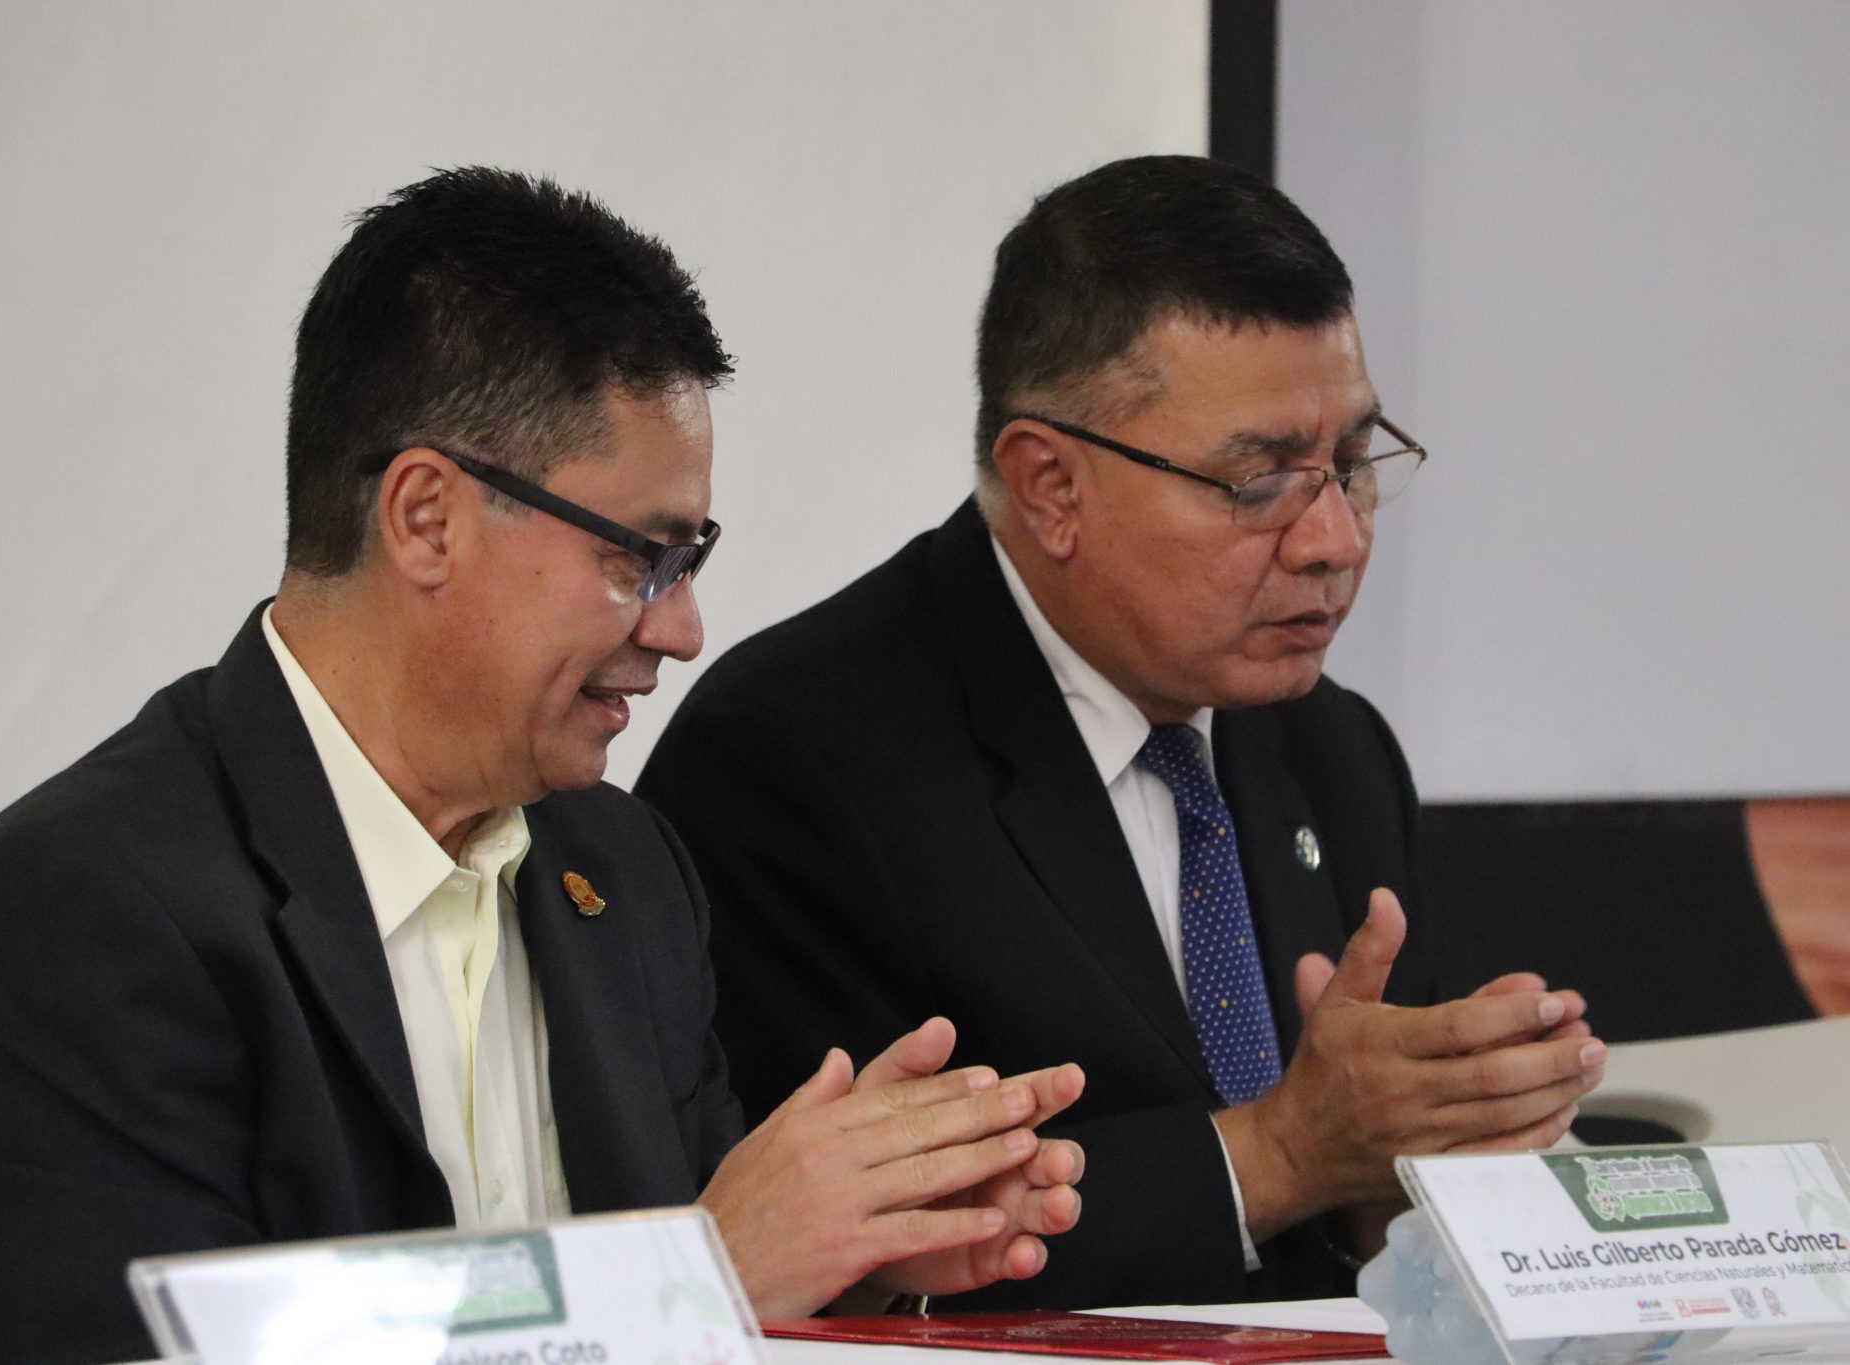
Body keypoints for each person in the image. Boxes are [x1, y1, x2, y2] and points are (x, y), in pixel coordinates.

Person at [0, 168, 1086, 1365]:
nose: (680, 630)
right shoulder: (89, 906)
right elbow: (163, 1348)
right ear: (426, 518)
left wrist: (851, 1256)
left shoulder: (621, 871)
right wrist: (695, 1277)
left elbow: (706, 1307)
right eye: (642, 558)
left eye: (689, 562)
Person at [637, 154, 1603, 1311]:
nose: (1333, 540)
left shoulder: (1330, 750)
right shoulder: (797, 758)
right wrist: (1281, 1154)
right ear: (1050, 486)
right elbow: (847, 1269)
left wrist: (1435, 1161)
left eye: (1349, 464)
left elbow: (1364, 1209)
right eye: (1259, 481)